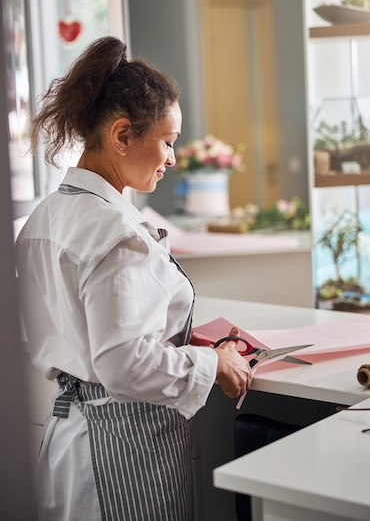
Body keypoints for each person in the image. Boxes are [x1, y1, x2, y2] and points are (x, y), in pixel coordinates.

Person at [15, 36, 252, 521]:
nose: (171, 158)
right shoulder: (115, 232)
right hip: (123, 453)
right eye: (167, 141)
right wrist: (212, 363)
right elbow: (124, 364)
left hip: (67, 441)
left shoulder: (44, 219)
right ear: (123, 136)